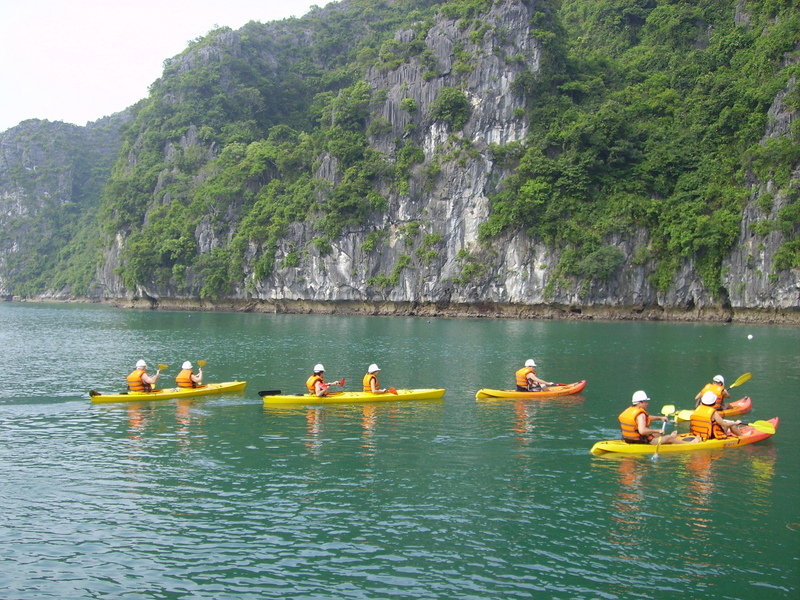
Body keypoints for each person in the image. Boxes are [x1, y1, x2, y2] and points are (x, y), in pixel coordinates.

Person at [618, 390, 686, 445]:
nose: (647, 403)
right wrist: (657, 430)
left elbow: (646, 418)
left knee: (658, 434)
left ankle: (672, 437)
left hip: (628, 439)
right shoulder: (641, 415)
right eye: (645, 402)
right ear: (640, 402)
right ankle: (689, 444)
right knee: (667, 437)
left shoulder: (630, 410)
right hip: (640, 441)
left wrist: (660, 418)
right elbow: (642, 431)